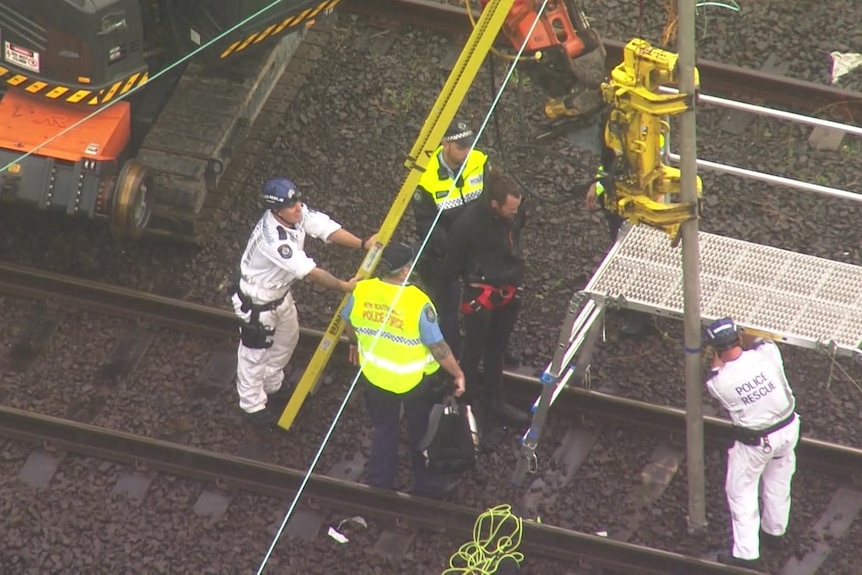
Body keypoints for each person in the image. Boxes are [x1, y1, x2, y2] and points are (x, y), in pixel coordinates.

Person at [231, 177, 376, 427]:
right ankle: (251, 404)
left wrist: (363, 244)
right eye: (291, 204)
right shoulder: (274, 240)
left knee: (288, 338)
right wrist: (344, 286)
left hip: (279, 294)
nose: (298, 206)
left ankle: (271, 383)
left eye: (298, 199)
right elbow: (311, 272)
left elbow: (324, 228)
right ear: (275, 210)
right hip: (258, 299)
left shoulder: (295, 214)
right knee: (254, 352)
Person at [341, 242, 466, 498]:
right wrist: (458, 373)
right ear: (405, 270)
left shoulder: (361, 291)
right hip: (413, 383)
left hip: (375, 376)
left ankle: (379, 483)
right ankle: (427, 485)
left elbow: (349, 322)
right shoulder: (417, 302)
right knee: (421, 430)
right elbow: (438, 347)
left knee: (384, 428)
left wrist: (353, 343)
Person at [704, 317, 801, 568]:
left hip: (756, 443)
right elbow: (758, 337)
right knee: (779, 480)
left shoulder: (720, 383)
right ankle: (774, 532)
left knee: (741, 491)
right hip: (788, 429)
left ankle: (746, 555)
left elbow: (716, 368)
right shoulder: (768, 354)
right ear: (737, 339)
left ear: (714, 348)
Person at [443, 167, 530, 427]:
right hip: (480, 294)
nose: (515, 214)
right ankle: (466, 404)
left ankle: (495, 401)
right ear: (495, 204)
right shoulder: (468, 224)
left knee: (498, 349)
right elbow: (453, 262)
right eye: (510, 209)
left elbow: (517, 233)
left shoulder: (515, 213)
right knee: (473, 350)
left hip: (508, 288)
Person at [411, 118, 488, 359]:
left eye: (469, 146)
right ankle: (452, 356)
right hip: (445, 253)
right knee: (446, 307)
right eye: (460, 147)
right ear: (445, 144)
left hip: (476, 247)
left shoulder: (479, 161)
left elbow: (490, 200)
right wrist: (455, 249)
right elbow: (426, 224)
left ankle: (484, 347)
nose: (466, 152)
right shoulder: (425, 177)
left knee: (485, 300)